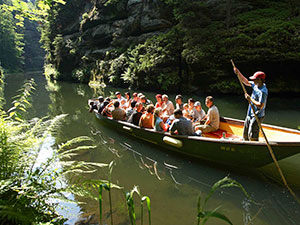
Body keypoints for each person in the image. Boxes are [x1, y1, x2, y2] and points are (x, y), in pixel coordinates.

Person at [234, 68, 268, 141]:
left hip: (257, 115)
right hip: (250, 113)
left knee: (252, 134)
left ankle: (253, 146)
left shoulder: (263, 91)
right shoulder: (255, 85)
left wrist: (250, 99)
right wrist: (238, 73)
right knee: (245, 133)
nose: (253, 81)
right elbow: (245, 82)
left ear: (259, 80)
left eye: (255, 79)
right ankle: (245, 143)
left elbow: (260, 105)